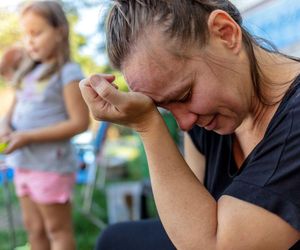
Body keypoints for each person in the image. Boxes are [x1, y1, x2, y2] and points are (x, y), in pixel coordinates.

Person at [80, 0, 300, 249]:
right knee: (114, 241)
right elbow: (190, 222)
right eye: (165, 107)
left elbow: (212, 245)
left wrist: (147, 126)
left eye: (185, 95)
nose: (184, 123)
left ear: (225, 33)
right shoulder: (211, 115)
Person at [0, 1, 89, 249]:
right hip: (23, 164)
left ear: (60, 31)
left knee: (56, 229)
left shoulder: (68, 72)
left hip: (50, 166)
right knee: (34, 228)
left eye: (36, 33)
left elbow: (80, 122)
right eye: (26, 35)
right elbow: (11, 111)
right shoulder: (29, 73)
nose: (30, 41)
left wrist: (27, 136)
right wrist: (5, 126)